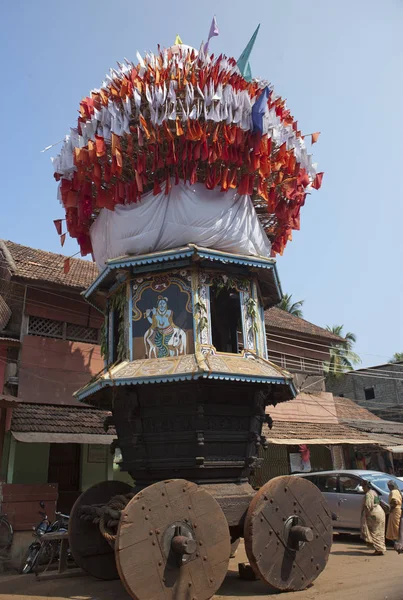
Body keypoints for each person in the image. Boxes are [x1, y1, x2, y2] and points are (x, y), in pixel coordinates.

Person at [360, 480, 386, 555]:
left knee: (374, 532)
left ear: (366, 486)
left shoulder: (368, 494)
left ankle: (378, 549)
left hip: (374, 514)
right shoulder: (374, 492)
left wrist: (365, 515)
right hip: (380, 512)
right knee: (380, 531)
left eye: (363, 487)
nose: (363, 488)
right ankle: (381, 548)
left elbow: (368, 506)